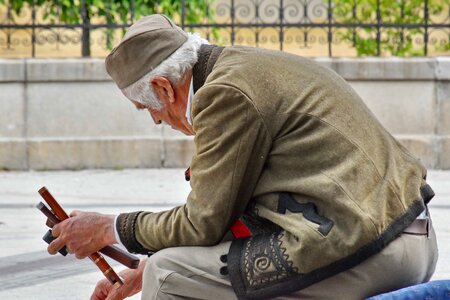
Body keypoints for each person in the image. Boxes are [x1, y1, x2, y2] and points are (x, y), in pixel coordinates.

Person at [47, 14, 438, 300]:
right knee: (166, 269)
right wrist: (139, 268)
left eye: (147, 108)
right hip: (404, 239)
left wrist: (108, 229)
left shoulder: (224, 95)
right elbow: (231, 217)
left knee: (168, 276)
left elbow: (202, 224)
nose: (156, 121)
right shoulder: (247, 66)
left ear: (163, 88)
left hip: (370, 252)